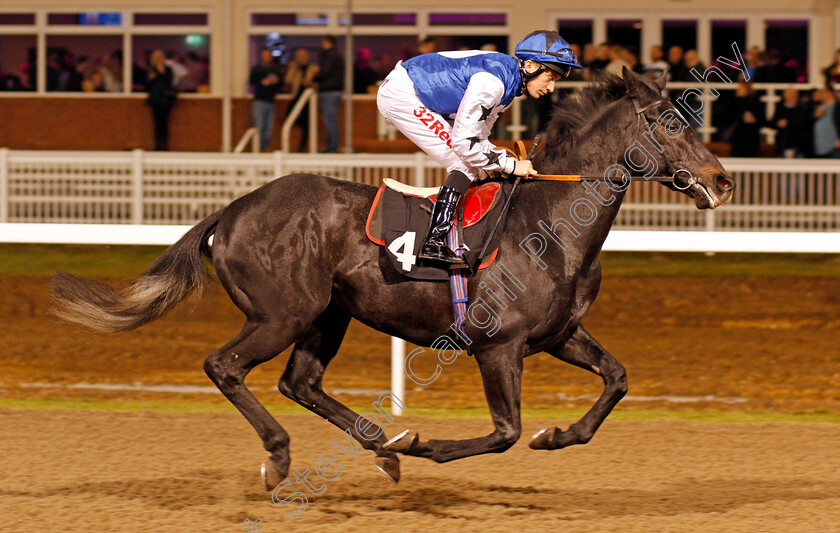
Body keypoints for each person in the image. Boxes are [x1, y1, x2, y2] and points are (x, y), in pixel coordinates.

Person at [377, 30, 580, 266]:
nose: (552, 87)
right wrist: (510, 165)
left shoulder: (508, 87)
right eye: (551, 77)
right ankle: (434, 241)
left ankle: (456, 233)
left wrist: (501, 161)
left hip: (417, 92)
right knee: (463, 161)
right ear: (531, 65)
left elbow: (480, 139)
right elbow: (466, 145)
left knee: (475, 163)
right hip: (403, 95)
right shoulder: (492, 84)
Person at [313, 35, 345, 153]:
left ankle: (332, 148)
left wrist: (314, 79)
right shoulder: (338, 55)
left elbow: (325, 72)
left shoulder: (329, 55)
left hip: (329, 91)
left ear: (327, 42)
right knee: (331, 120)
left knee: (329, 120)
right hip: (336, 91)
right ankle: (332, 146)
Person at [284, 48, 318, 151]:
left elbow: (318, 83)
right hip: (297, 96)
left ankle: (302, 148)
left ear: (307, 57)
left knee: (308, 125)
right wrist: (292, 68)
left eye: (303, 56)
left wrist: (311, 83)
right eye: (299, 56)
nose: (301, 58)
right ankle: (302, 125)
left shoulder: (313, 68)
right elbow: (287, 81)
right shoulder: (295, 68)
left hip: (308, 99)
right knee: (289, 114)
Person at [249, 48, 283, 151]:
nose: (266, 57)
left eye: (268, 55)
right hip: (259, 101)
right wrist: (263, 82)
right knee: (259, 126)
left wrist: (274, 81)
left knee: (268, 128)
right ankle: (257, 149)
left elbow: (281, 83)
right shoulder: (257, 69)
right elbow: (252, 81)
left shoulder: (275, 70)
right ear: (261, 56)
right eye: (264, 55)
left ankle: (265, 147)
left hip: (271, 101)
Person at [146, 49, 176, 151]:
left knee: (165, 123)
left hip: (166, 100)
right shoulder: (151, 70)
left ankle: (165, 145)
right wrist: (152, 78)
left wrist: (161, 71)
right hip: (155, 100)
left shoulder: (168, 70)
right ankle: (157, 145)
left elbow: (169, 82)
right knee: (157, 123)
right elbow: (148, 86)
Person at [771, 87, 812, 158]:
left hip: (800, 146)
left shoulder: (803, 109)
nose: (792, 96)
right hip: (783, 145)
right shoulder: (780, 108)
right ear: (784, 95)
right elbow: (771, 123)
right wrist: (778, 124)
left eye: (794, 94)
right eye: (789, 94)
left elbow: (807, 125)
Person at [812, 88, 840, 158]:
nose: (820, 94)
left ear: (829, 94)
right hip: (820, 147)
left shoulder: (837, 107)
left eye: (822, 92)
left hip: (834, 147)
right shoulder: (820, 107)